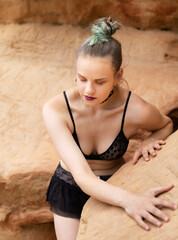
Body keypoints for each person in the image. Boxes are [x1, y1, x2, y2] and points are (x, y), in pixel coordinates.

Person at [42, 17, 177, 240]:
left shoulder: (135, 109)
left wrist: (150, 139)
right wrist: (130, 200)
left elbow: (166, 124)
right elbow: (82, 176)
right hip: (71, 186)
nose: (88, 89)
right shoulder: (56, 110)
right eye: (82, 78)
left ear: (118, 77)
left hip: (115, 182)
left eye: (100, 81)